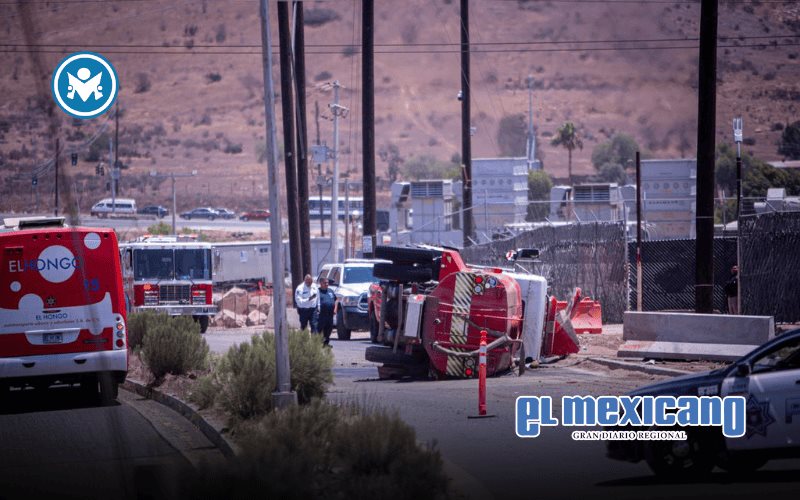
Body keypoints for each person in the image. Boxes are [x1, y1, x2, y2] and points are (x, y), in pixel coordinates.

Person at [315, 277, 338, 347]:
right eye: (325, 283)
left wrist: (335, 309)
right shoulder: (317, 291)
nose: (327, 284)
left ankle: (326, 343)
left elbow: (336, 300)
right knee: (319, 330)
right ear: (321, 283)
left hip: (330, 314)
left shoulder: (330, 291)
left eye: (327, 283)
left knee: (329, 329)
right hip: (321, 315)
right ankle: (317, 344)